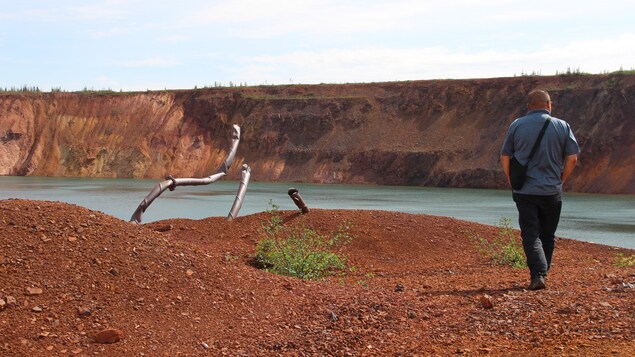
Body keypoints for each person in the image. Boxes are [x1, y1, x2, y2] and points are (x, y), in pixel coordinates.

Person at [500, 90, 579, 290]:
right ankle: (542, 274)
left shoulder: (517, 125)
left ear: (529, 106)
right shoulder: (562, 126)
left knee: (530, 233)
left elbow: (505, 156)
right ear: (548, 105)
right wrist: (561, 179)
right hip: (552, 191)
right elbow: (572, 158)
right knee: (547, 234)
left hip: (525, 191)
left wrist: (512, 181)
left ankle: (538, 274)